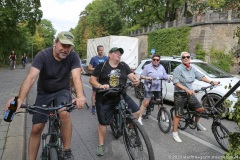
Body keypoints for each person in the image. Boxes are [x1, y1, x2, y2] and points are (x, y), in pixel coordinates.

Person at [5, 31, 86, 160]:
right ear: (55, 43)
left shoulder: (74, 56)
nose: (65, 49)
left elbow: (76, 78)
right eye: (63, 45)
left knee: (64, 113)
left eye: (68, 46)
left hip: (62, 91)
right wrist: (20, 99)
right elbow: (31, 77)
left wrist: (80, 95)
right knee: (37, 128)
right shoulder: (43, 55)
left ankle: (66, 150)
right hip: (44, 92)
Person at [89, 47, 140, 156]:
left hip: (121, 94)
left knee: (137, 112)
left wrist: (136, 80)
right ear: (110, 55)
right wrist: (100, 85)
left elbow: (131, 76)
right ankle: (101, 145)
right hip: (105, 97)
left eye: (120, 53)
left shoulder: (123, 65)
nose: (119, 55)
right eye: (116, 53)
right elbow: (92, 79)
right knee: (103, 123)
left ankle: (130, 129)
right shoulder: (102, 66)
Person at [172, 52, 218, 143]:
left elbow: (200, 77)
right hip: (180, 94)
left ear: (190, 58)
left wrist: (211, 82)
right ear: (181, 59)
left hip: (190, 94)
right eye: (184, 57)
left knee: (200, 109)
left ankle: (196, 123)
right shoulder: (178, 69)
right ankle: (175, 133)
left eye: (187, 57)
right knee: (178, 114)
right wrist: (186, 89)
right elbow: (176, 82)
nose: (186, 58)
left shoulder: (192, 68)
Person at [138, 54, 171, 125]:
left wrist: (169, 78)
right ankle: (139, 117)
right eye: (154, 59)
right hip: (149, 87)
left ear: (159, 60)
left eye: (157, 60)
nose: (155, 61)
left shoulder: (161, 67)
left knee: (160, 102)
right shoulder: (147, 67)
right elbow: (141, 76)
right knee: (146, 103)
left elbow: (165, 75)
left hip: (158, 87)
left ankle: (162, 115)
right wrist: (147, 78)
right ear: (152, 60)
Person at [88, 45, 108, 114]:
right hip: (96, 78)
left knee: (105, 92)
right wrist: (97, 69)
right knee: (94, 93)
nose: (101, 51)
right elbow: (89, 68)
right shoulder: (94, 59)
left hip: (103, 78)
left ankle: (104, 106)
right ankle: (93, 107)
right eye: (100, 50)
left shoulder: (106, 58)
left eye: (102, 50)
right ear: (97, 51)